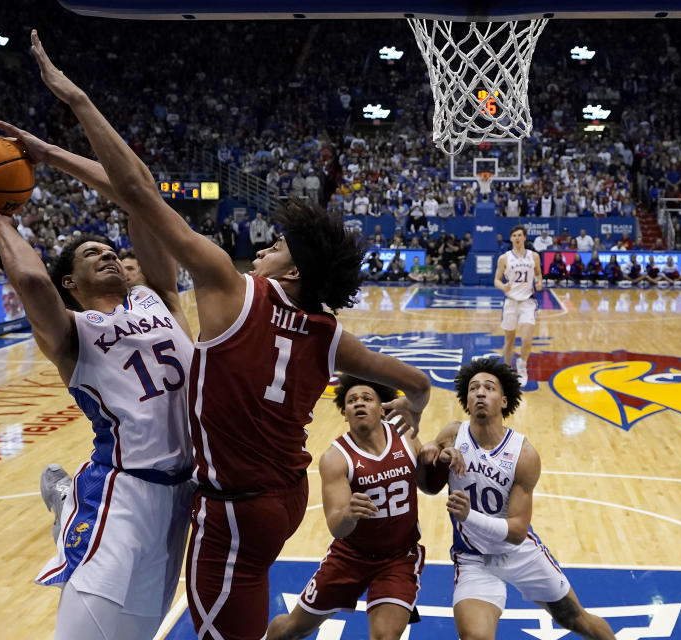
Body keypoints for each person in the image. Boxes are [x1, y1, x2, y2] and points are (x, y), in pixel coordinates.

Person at [28, 31, 432, 640]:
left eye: (276, 248)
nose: (265, 248)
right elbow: (417, 381)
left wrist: (73, 108)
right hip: (287, 497)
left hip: (236, 509)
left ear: (291, 271)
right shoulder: (328, 333)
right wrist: (418, 405)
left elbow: (137, 190)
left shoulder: (231, 286)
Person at [0, 115, 195, 640]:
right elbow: (33, 280)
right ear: (71, 282)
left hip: (180, 500)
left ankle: (64, 510)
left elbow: (140, 192)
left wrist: (51, 153)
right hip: (121, 495)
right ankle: (73, 507)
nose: (107, 252)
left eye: (109, 248)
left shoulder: (161, 298)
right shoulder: (73, 333)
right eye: (90, 253)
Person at [419, 359, 617, 640]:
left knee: (574, 619)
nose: (480, 393)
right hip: (473, 558)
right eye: (473, 388)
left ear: (504, 400)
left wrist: (469, 516)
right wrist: (430, 457)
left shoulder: (523, 454)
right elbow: (427, 486)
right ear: (466, 398)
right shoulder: (452, 434)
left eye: (489, 387)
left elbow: (516, 531)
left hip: (519, 552)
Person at [266, 375, 463, 640]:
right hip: (350, 557)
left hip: (398, 558)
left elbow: (428, 487)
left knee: (385, 636)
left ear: (382, 408)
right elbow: (337, 526)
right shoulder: (335, 457)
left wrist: (437, 464)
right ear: (345, 414)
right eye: (352, 400)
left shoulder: (404, 437)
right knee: (291, 630)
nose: (359, 403)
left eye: (367, 398)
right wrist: (348, 513)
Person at [493, 225, 543, 386]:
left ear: (524, 237)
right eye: (514, 235)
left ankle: (522, 367)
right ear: (512, 238)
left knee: (527, 339)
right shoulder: (504, 258)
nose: (517, 238)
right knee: (509, 340)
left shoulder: (534, 256)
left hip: (528, 302)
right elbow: (496, 280)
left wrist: (539, 281)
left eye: (519, 235)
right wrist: (503, 286)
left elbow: (538, 273)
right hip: (510, 302)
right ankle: (507, 370)